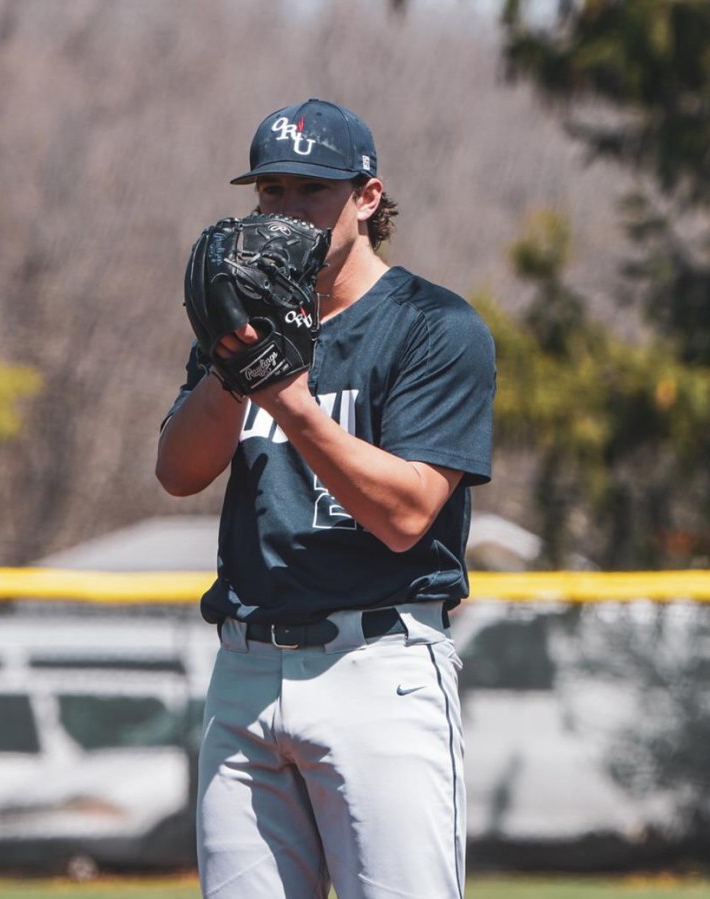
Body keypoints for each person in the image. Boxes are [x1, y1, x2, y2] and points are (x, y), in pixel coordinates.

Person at [156, 98, 496, 899]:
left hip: (376, 667)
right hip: (245, 666)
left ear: (368, 197)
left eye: (312, 189)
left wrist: (288, 399)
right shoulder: (241, 322)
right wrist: (230, 362)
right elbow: (178, 470)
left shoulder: (432, 325)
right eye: (270, 189)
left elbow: (406, 515)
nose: (286, 209)